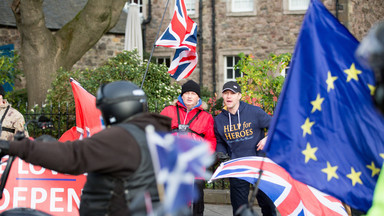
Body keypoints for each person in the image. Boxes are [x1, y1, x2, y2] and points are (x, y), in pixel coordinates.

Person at [0, 81, 172, 216]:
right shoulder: (154, 135)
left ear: (113, 109)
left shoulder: (121, 138)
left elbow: (72, 156)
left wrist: (16, 146)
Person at [214, 81, 276, 216]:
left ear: (239, 96)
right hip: (238, 167)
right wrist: (221, 153)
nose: (229, 96)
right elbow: (220, 142)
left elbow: (276, 125)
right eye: (226, 93)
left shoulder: (254, 112)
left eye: (232, 93)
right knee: (239, 209)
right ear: (223, 96)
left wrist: (267, 138)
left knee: (268, 205)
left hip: (259, 165)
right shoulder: (219, 120)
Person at [160, 80, 216, 216]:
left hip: (195, 164)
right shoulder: (169, 111)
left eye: (193, 93)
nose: (189, 96)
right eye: (186, 93)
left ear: (198, 97)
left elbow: (211, 140)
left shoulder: (206, 117)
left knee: (196, 198)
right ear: (181, 96)